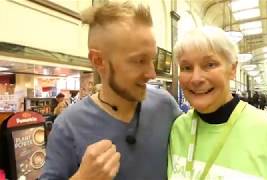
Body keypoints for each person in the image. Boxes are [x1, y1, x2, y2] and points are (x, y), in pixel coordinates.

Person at [40, 1, 181, 179]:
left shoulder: (165, 105)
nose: (152, 74)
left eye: (151, 59)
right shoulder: (67, 126)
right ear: (98, 60)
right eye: (139, 61)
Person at [168, 26, 267, 179]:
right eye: (187, 67)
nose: (196, 79)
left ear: (232, 69)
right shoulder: (178, 129)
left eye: (210, 65)